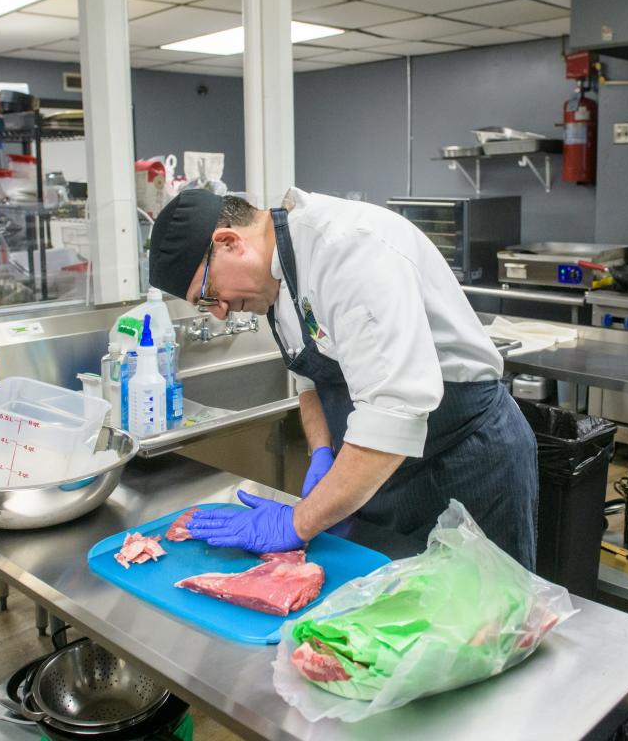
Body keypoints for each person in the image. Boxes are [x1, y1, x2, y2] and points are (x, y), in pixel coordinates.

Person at [148, 187, 538, 569]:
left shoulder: (347, 252)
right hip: (388, 477)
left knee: (487, 619)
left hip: (466, 464)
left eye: (207, 293)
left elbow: (393, 416)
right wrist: (323, 452)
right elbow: (313, 380)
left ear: (230, 242)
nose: (218, 312)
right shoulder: (278, 278)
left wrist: (296, 522)